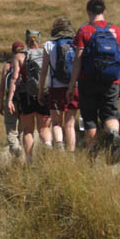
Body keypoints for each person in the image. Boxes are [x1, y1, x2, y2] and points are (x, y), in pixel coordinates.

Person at [66, 0, 120, 159]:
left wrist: (72, 85)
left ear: (88, 12)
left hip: (88, 81)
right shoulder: (116, 30)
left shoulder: (84, 30)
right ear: (104, 11)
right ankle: (113, 133)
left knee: (90, 117)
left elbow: (77, 59)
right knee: (110, 115)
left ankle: (93, 152)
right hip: (111, 80)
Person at [7, 29, 52, 162]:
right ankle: (48, 146)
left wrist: (10, 99)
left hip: (26, 96)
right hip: (43, 94)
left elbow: (14, 78)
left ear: (26, 41)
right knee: (44, 128)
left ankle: (29, 159)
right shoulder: (46, 53)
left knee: (28, 130)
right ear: (39, 40)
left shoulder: (19, 56)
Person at [38, 16, 79, 152]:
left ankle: (60, 147)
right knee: (70, 124)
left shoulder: (49, 45)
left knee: (56, 123)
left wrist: (41, 91)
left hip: (55, 88)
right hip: (73, 87)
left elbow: (44, 71)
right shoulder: (76, 43)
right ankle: (71, 154)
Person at [0, 41, 24, 158]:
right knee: (23, 130)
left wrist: (1, 104)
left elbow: (2, 87)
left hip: (11, 100)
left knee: (11, 130)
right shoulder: (26, 62)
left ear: (12, 51)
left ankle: (16, 152)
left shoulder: (8, 65)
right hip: (24, 100)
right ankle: (24, 153)